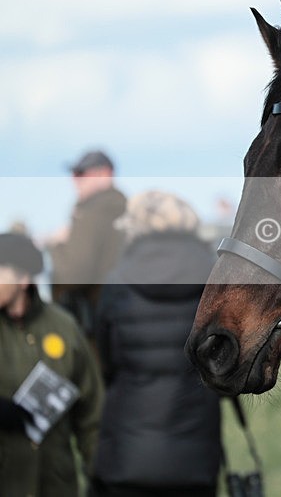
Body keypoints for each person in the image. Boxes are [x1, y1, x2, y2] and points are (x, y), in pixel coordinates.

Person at [90, 191, 221, 497]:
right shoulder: (213, 278)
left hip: (127, 451)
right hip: (195, 456)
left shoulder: (117, 280)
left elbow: (106, 359)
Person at [0, 232, 104, 497]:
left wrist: (100, 477)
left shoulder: (64, 327)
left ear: (23, 278)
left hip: (55, 484)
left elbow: (92, 414)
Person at [48, 149, 127, 338]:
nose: (74, 180)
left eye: (81, 173)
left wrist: (57, 245)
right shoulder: (124, 208)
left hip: (97, 327)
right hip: (123, 321)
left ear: (105, 174)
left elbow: (73, 278)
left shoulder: (93, 212)